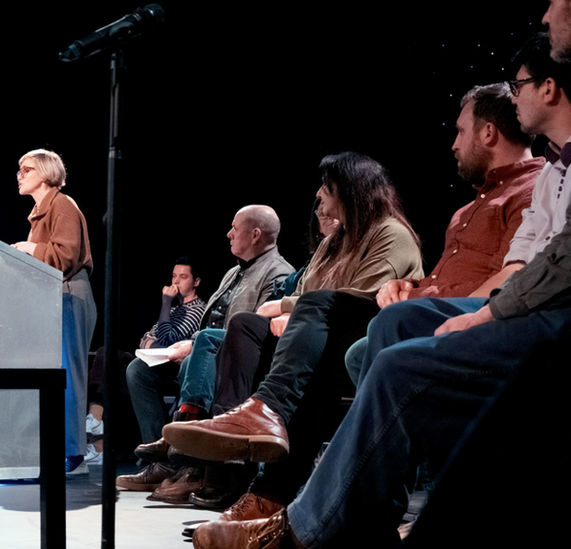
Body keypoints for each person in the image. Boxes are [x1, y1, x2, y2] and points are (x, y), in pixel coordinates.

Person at [189, 32, 571, 549]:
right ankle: (285, 474)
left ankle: (295, 506)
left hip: (518, 313)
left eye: (326, 196)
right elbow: (468, 273)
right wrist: (414, 287)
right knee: (361, 329)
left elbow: (524, 272)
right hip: (445, 309)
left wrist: (478, 310)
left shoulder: (529, 184)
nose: (319, 207)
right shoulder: (493, 198)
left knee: (354, 340)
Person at [163, 152, 423, 515]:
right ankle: (234, 438)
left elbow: (363, 297)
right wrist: (297, 308)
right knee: (242, 326)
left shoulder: (390, 233)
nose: (319, 194)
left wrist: (292, 308)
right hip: (314, 333)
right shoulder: (335, 241)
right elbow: (306, 293)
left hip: (360, 335)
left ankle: (262, 446)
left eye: (326, 188)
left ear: (348, 191)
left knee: (307, 367)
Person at [345, 82, 542, 382]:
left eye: (461, 131)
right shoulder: (465, 211)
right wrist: (408, 286)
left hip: (484, 316)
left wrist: (444, 310)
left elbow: (510, 278)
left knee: (390, 324)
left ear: (488, 133)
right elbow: (446, 279)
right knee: (359, 352)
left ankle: (369, 429)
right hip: (438, 310)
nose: (454, 144)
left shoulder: (533, 190)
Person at [117, 205, 293, 492]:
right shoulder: (231, 273)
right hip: (204, 352)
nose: (229, 233)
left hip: (233, 361)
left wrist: (195, 343)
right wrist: (188, 344)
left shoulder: (279, 273)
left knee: (193, 358)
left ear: (256, 234)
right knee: (139, 371)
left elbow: (256, 330)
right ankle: (165, 461)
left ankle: (190, 458)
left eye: (235, 228)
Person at [11, 149, 98, 477]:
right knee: (50, 377)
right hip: (50, 300)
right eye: (19, 170)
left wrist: (28, 249)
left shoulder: (62, 204)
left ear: (46, 173)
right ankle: (52, 449)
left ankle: (73, 454)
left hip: (69, 295)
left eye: (26, 169)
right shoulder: (39, 212)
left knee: (68, 377)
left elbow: (64, 255)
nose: (19, 175)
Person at [85, 257, 206, 465]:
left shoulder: (198, 310)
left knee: (135, 370)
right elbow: (145, 338)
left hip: (179, 369)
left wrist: (166, 303)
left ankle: (106, 442)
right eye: (174, 276)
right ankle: (96, 422)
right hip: (161, 362)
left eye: (183, 277)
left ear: (196, 282)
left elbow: (167, 340)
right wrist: (155, 340)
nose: (176, 282)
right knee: (109, 355)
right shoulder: (174, 312)